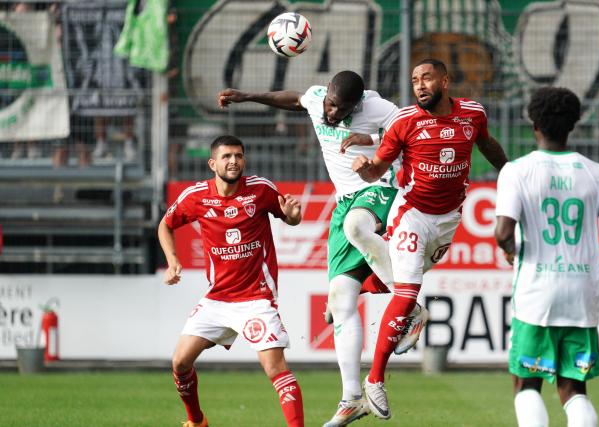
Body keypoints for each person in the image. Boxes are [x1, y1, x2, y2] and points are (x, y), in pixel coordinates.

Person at [217, 71, 427, 427]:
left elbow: (416, 130)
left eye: (340, 109)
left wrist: (373, 137)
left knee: (356, 226)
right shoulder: (318, 99)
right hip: (344, 199)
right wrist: (245, 95)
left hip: (381, 188)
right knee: (341, 300)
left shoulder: (377, 107)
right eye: (329, 104)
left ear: (357, 105)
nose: (331, 114)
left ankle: (410, 307)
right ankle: (352, 398)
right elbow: (292, 98)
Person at [351, 58, 509, 420]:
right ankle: (375, 379)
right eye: (414, 80)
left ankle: (360, 287)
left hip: (449, 219)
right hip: (412, 215)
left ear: (446, 80)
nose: (419, 85)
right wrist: (365, 170)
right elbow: (376, 167)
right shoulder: (405, 121)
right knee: (407, 291)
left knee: (399, 284)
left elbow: (486, 144)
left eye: (426, 78)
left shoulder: (472, 114)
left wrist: (511, 171)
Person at [493, 87, 599, 427]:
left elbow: (502, 233)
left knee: (527, 385)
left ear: (533, 124)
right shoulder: (593, 171)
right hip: (582, 294)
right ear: (573, 124)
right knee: (574, 390)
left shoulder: (517, 170)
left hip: (537, 293)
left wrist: (513, 253)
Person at [158, 135, 304, 427]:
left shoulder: (261, 189)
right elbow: (166, 224)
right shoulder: (196, 196)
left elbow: (289, 217)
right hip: (218, 298)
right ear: (213, 163)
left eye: (238, 155)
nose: (233, 161)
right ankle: (197, 421)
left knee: (275, 368)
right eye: (226, 157)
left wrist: (292, 217)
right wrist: (173, 261)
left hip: (256, 298)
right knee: (180, 363)